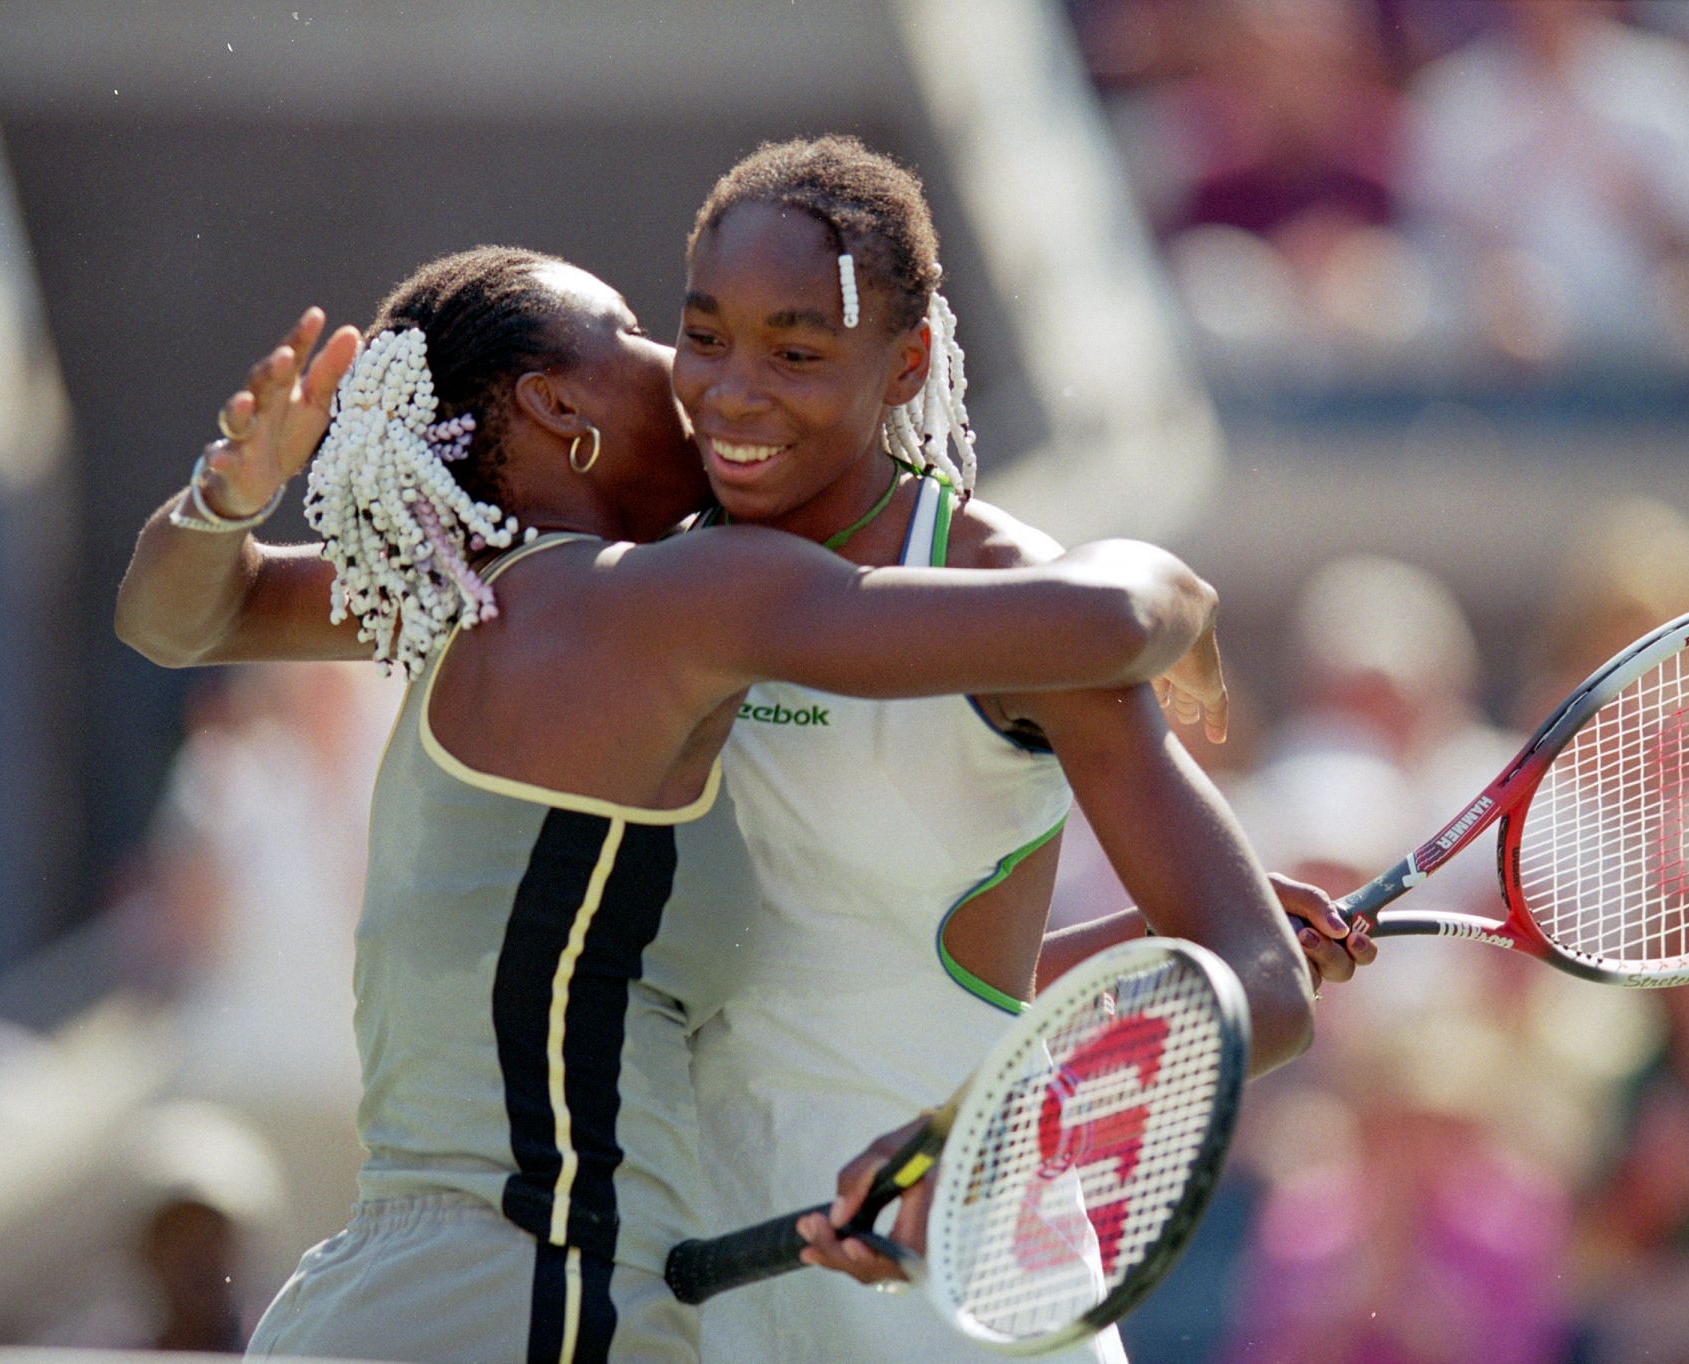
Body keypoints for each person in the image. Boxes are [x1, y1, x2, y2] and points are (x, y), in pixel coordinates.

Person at [114, 245, 1238, 1362]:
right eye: (647, 337)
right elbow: (1104, 626)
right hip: (533, 1295)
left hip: (389, 1289)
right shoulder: (673, 599)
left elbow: (177, 620)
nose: (691, 375)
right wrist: (1171, 581)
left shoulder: (460, 596)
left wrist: (226, 497)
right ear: (563, 408)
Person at [662, 136, 1364, 1364]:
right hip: (686, 1276)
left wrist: (958, 1126)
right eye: (705, 333)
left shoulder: (1014, 598)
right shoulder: (644, 566)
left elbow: (1265, 978)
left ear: (909, 363)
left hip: (958, 1282)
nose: (732, 391)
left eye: (798, 350)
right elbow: (864, 960)